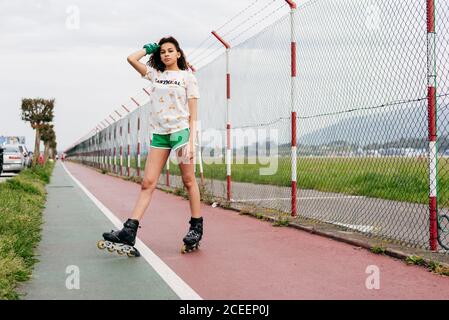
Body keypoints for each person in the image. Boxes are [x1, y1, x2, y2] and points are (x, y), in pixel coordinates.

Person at [101, 36, 203, 255]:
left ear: (178, 53)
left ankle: (196, 228)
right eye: (162, 51)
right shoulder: (155, 75)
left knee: (188, 180)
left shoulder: (187, 77)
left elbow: (194, 113)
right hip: (159, 135)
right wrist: (148, 49)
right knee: (147, 183)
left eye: (170, 50)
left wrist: (192, 141)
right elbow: (130, 58)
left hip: (181, 134)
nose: (166, 54)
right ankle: (129, 230)